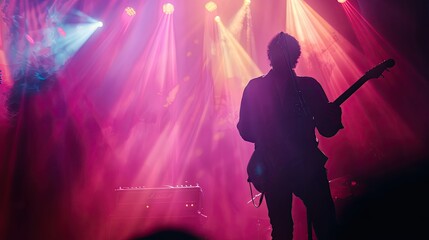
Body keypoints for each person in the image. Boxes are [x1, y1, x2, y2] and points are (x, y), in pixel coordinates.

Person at [237, 32, 343, 240]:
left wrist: (333, 115)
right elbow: (245, 129)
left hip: (305, 164)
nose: (283, 56)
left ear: (294, 56)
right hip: (275, 165)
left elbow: (326, 129)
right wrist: (271, 134)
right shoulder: (256, 87)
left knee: (325, 223)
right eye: (279, 51)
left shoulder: (308, 86)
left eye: (287, 52)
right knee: (282, 228)